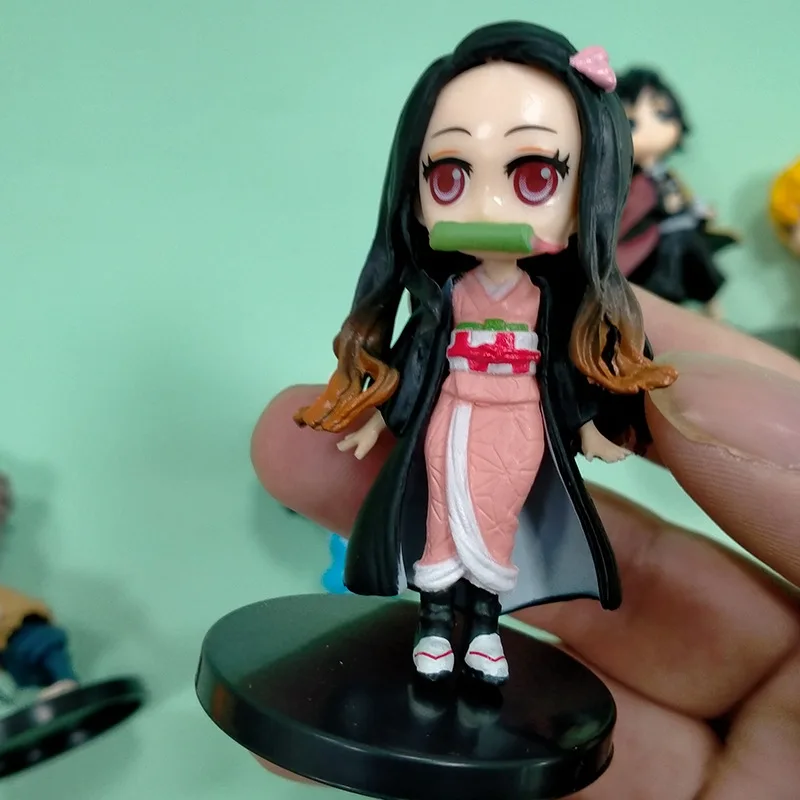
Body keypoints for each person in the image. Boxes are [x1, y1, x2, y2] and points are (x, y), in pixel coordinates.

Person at [251, 285, 800, 798]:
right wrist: (379, 418)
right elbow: (417, 357)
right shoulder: (449, 289)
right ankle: (435, 630)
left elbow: (562, 372)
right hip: (453, 417)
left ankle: (483, 634)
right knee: (442, 524)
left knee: (497, 532)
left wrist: (587, 428)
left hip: (518, 424)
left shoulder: (545, 295)